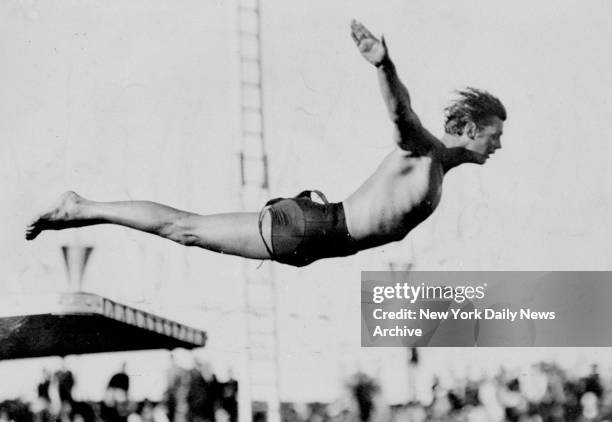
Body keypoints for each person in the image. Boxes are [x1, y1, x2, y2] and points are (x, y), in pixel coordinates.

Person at [25, 21, 506, 268]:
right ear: (469, 128)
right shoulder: (424, 154)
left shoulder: (439, 167)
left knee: (184, 229)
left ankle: (83, 207)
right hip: (313, 229)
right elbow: (401, 114)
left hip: (313, 234)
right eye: (495, 134)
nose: (498, 145)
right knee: (184, 228)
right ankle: (80, 207)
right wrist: (383, 65)